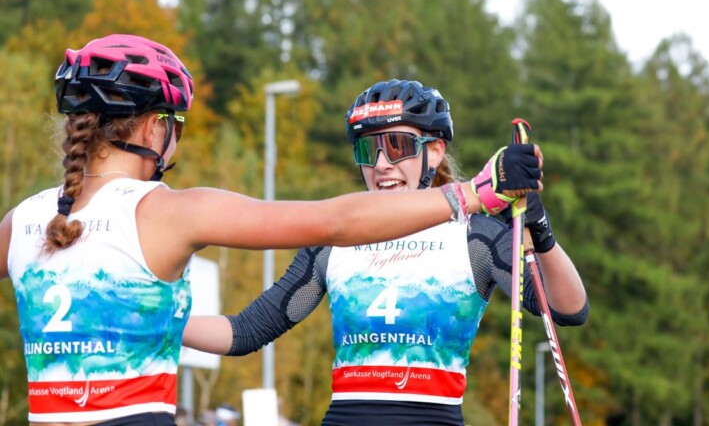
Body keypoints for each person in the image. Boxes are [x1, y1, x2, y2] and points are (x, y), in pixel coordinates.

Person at [0, 37, 540, 426]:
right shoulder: (171, 210)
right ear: (153, 127)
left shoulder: (23, 219)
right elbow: (336, 221)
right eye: (177, 127)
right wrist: (475, 193)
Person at [183, 79, 588, 426]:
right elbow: (246, 331)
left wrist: (541, 230)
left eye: (397, 146)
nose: (381, 165)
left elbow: (568, 309)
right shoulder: (335, 239)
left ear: (434, 152)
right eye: (367, 150)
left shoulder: (474, 237)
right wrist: (157, 321)